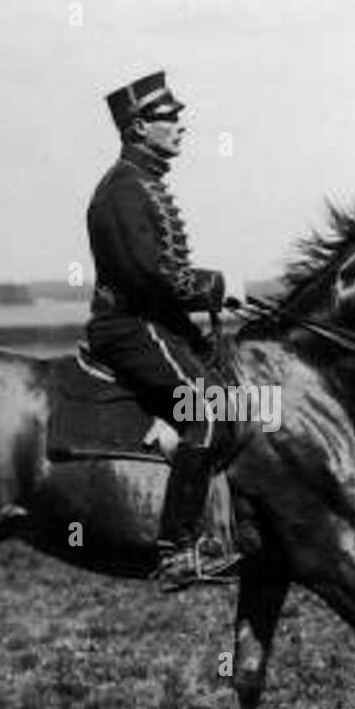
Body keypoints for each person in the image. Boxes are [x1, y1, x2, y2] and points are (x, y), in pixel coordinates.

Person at [85, 71, 245, 589]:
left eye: (177, 116)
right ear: (137, 128)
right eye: (167, 118)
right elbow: (151, 274)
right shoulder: (123, 191)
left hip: (157, 323)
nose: (180, 125)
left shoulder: (144, 182)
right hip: (132, 326)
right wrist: (216, 285)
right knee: (208, 410)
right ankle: (177, 548)